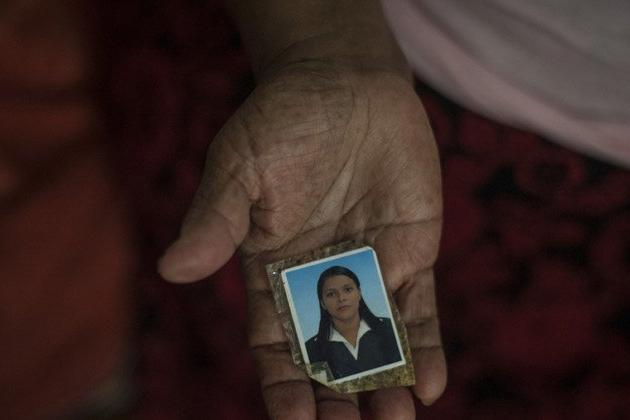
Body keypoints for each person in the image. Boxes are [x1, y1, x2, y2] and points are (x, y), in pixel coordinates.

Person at [305, 266, 401, 380]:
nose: (341, 298)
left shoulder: (390, 328)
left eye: (347, 290)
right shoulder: (310, 350)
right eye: (331, 294)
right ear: (323, 303)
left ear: (359, 293)